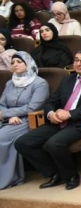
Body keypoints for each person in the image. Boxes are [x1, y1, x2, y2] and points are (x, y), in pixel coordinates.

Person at [15, 50, 81, 191]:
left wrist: (70, 114)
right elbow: (51, 101)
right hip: (58, 121)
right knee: (23, 142)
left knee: (54, 144)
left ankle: (71, 176)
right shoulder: (68, 79)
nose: (78, 64)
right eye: (76, 60)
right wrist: (51, 114)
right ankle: (54, 173)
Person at [0, 53, 49, 189]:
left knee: (1, 137)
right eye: (13, 62)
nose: (15, 64)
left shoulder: (40, 83)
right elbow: (1, 104)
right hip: (9, 119)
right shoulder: (10, 83)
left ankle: (8, 178)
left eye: (19, 62)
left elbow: (33, 107)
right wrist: (9, 116)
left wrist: (7, 114)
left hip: (28, 120)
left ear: (28, 63)